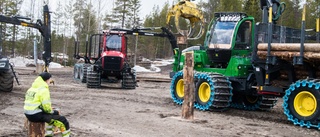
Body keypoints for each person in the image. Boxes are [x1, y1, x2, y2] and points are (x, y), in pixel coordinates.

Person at [24, 72, 71, 137]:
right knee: (63, 120)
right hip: (36, 115)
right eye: (49, 80)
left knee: (51, 118)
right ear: (47, 80)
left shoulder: (31, 88)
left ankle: (49, 135)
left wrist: (49, 111)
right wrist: (54, 112)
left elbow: (35, 103)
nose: (50, 82)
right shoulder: (43, 90)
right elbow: (47, 107)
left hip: (29, 114)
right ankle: (67, 136)